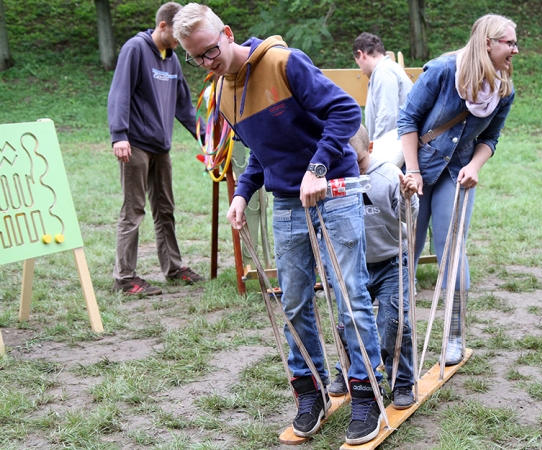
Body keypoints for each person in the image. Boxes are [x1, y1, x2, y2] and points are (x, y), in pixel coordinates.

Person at [173, 4, 384, 444]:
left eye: (211, 51)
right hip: (287, 202)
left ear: (227, 33)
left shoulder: (284, 62)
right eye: (197, 59)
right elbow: (259, 154)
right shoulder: (223, 93)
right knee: (292, 302)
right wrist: (241, 193)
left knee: (349, 296)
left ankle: (365, 392)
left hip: (336, 189)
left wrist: (319, 168)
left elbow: (347, 113)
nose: (208, 63)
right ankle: (311, 394)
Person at [397, 14, 518, 365]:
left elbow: (490, 138)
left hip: (457, 172)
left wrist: (474, 166)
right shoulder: (441, 70)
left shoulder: (504, 88)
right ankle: (395, 330)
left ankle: (453, 336)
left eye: (514, 42)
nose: (515, 49)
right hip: (417, 167)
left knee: (452, 249)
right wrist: (414, 171)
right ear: (487, 43)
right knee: (407, 249)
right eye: (509, 42)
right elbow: (407, 120)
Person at [107, 2, 206, 296]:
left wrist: (208, 137)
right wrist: (119, 135)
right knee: (133, 209)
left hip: (161, 147)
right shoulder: (135, 49)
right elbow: (119, 91)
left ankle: (174, 269)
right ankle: (124, 278)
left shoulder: (171, 58)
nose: (181, 40)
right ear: (162, 26)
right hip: (135, 144)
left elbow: (184, 107)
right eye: (177, 33)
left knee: (165, 209)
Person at [328, 125, 419, 409]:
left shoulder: (388, 174)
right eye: (344, 159)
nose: (351, 166)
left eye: (356, 160)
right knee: (347, 323)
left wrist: (408, 196)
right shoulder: (335, 175)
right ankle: (349, 369)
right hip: (352, 263)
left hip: (391, 261)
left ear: (370, 149)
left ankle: (401, 381)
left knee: (394, 323)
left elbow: (409, 217)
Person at [353, 32, 413, 141]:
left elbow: (387, 118)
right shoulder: (386, 69)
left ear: (361, 54)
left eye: (358, 64)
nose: (361, 71)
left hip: (390, 148)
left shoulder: (383, 71)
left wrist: (376, 150)